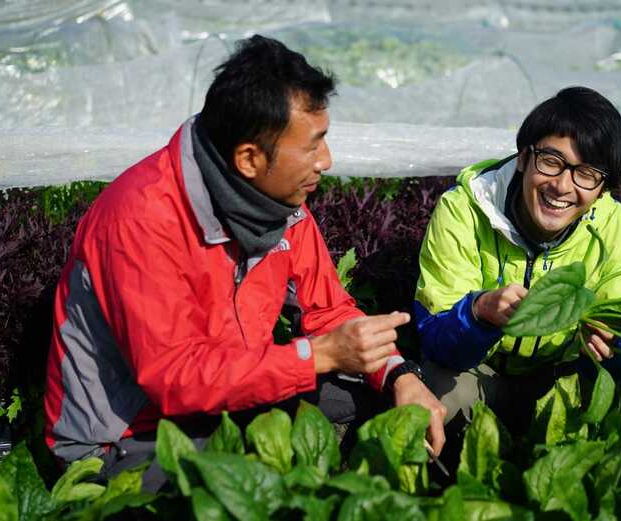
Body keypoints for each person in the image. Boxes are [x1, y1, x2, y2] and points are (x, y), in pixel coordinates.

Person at [44, 35, 445, 490]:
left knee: (385, 409)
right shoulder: (140, 218)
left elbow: (328, 311)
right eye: (313, 146)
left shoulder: (277, 203)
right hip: (130, 435)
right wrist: (319, 356)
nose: (327, 161)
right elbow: (175, 378)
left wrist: (398, 376)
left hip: (232, 395)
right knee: (252, 495)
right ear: (250, 158)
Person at [414, 86, 621, 439]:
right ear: (523, 156)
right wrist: (477, 313)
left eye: (587, 173)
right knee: (440, 396)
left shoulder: (619, 230)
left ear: (603, 188)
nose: (562, 186)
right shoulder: (463, 211)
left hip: (565, 379)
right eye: (551, 161)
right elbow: (435, 340)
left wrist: (619, 345)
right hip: (480, 372)